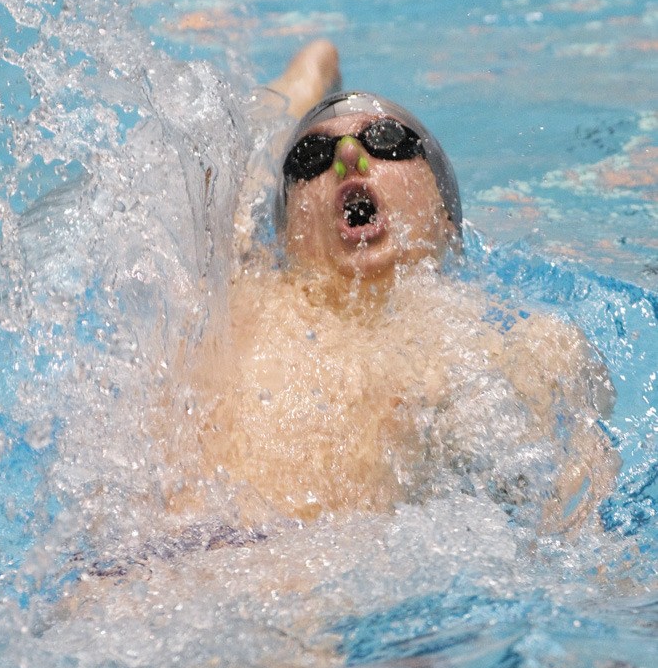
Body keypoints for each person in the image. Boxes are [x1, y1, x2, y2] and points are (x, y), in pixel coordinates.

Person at [161, 40, 618, 533]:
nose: (349, 157)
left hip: (307, 580)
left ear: (446, 218)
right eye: (311, 156)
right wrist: (311, 71)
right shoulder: (234, 288)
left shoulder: (504, 347)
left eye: (384, 138)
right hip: (132, 568)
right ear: (287, 234)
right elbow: (237, 148)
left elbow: (579, 501)